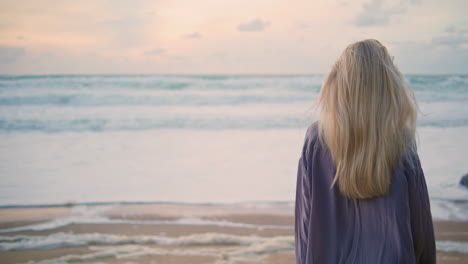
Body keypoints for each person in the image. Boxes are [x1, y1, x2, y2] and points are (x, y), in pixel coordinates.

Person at [294, 39, 436, 264]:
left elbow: (305, 222)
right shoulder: (402, 140)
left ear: (339, 83)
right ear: (388, 85)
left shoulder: (316, 138)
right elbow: (421, 227)